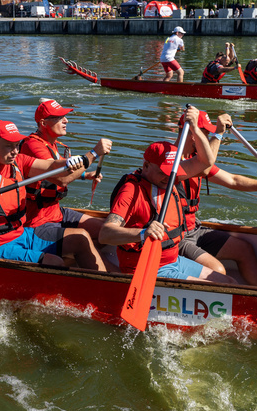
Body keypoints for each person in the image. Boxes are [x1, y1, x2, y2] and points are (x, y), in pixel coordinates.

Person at [0, 120, 108, 270]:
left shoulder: (18, 161)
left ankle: (107, 287)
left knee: (81, 238)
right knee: (53, 262)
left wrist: (69, 162)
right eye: (8, 146)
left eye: (17, 145)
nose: (15, 151)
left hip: (20, 234)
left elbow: (52, 166)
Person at [99, 107, 236, 283]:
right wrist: (142, 233)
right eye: (163, 171)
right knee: (220, 290)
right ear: (146, 166)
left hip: (172, 260)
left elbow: (206, 161)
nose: (169, 176)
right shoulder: (131, 191)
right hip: (147, 266)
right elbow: (106, 234)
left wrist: (195, 127)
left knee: (229, 282)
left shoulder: (171, 177)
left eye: (171, 171)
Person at [174, 110, 257, 287]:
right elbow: (206, 168)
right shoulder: (170, 160)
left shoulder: (194, 159)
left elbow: (232, 180)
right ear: (193, 134)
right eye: (206, 133)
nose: (208, 139)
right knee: (218, 271)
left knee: (244, 249)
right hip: (177, 238)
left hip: (194, 229)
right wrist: (219, 134)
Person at [19, 99, 115, 270]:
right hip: (37, 221)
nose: (66, 121)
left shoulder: (52, 144)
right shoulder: (33, 146)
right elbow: (61, 179)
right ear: (43, 123)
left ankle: (75, 258)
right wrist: (94, 153)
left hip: (56, 212)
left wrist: (86, 175)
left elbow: (53, 174)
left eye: (65, 116)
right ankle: (107, 277)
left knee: (105, 232)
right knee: (83, 238)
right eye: (59, 117)